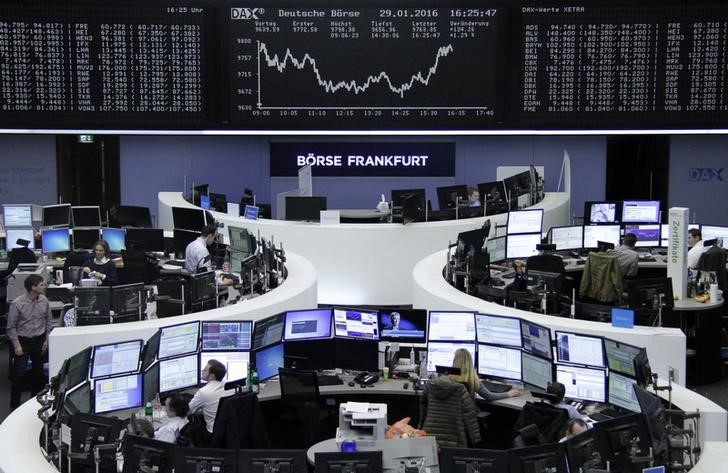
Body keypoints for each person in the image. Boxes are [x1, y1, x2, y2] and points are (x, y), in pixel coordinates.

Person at [6, 273, 53, 410]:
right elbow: (11, 327)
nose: (44, 286)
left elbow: (48, 321)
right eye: (41, 284)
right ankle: (14, 407)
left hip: (39, 340)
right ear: (33, 287)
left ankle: (34, 404)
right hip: (23, 341)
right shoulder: (18, 304)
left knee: (38, 374)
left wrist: (47, 339)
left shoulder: (44, 300)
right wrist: (17, 345)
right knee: (19, 375)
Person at [450, 348, 521, 400]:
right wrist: (508, 394)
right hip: (467, 416)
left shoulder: (446, 378)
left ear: (454, 360)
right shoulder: (472, 380)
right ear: (470, 362)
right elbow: (489, 396)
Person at [189, 359, 229, 436]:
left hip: (212, 433)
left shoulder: (203, 392)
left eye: (205, 370)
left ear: (212, 376)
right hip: (229, 429)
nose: (202, 370)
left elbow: (188, 411)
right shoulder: (228, 385)